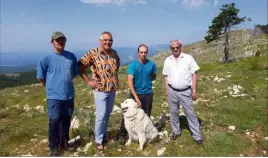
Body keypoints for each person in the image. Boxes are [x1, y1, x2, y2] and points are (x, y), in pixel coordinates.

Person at [37, 31, 79, 156]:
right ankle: (53, 147)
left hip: (69, 95)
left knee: (66, 120)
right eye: (58, 40)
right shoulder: (45, 58)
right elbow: (41, 77)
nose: (61, 42)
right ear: (52, 42)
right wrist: (49, 87)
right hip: (53, 96)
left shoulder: (71, 56)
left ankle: (64, 143)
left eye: (63, 40)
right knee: (54, 120)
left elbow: (73, 74)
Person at [78, 31, 120, 151]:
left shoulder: (114, 53)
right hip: (100, 90)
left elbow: (116, 67)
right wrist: (88, 81)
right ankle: (98, 140)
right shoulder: (93, 53)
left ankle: (104, 135)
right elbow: (79, 65)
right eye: (105, 40)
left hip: (112, 89)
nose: (108, 42)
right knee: (101, 115)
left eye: (110, 40)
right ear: (100, 41)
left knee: (107, 114)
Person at [162, 40, 203, 144]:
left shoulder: (188, 58)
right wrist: (167, 91)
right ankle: (176, 131)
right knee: (173, 113)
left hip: (185, 91)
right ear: (170, 49)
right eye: (173, 48)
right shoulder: (168, 60)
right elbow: (166, 76)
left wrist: (194, 90)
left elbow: (194, 74)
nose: (175, 49)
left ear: (181, 46)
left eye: (177, 47)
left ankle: (197, 136)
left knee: (190, 113)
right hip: (172, 90)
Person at [117, 44, 157, 144]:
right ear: (138, 53)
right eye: (141, 52)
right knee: (127, 115)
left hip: (148, 94)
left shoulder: (152, 64)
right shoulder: (133, 65)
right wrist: (135, 97)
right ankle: (122, 135)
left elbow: (154, 77)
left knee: (145, 116)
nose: (143, 54)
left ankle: (144, 136)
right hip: (136, 94)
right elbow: (130, 81)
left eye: (145, 52)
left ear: (147, 53)